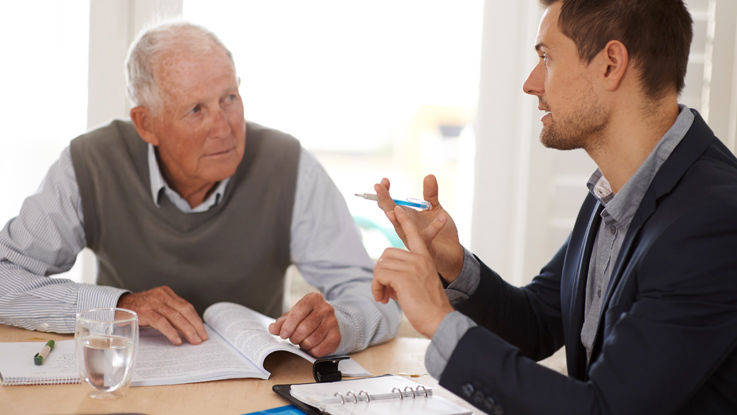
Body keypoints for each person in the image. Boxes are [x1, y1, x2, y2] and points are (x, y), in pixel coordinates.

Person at [372, 0, 737, 413]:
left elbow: (604, 409)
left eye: (546, 57)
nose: (531, 84)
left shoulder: (714, 221)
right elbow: (538, 321)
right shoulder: (616, 188)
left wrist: (438, 320)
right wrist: (453, 265)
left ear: (611, 64)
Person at [0, 21, 400, 358]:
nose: (224, 128)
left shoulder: (289, 165)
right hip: (127, 381)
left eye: (230, 98)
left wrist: (340, 324)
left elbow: (371, 294)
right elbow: (4, 278)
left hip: (251, 388)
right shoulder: (91, 162)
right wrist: (117, 306)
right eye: (196, 110)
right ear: (146, 124)